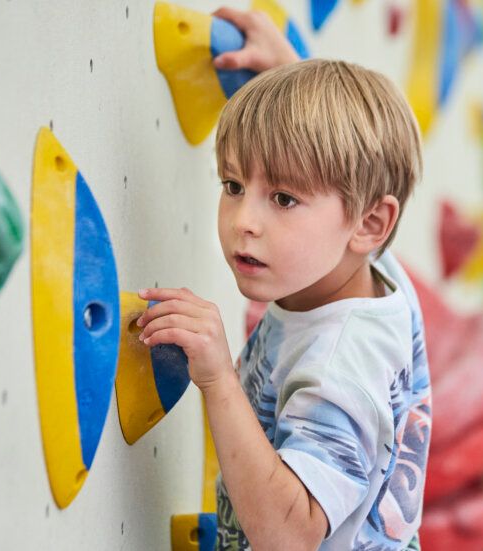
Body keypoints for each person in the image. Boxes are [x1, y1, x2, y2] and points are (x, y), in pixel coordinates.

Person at [135, 44, 431, 550]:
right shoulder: (370, 265)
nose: (243, 222)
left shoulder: (342, 365)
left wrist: (219, 380)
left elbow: (291, 536)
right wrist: (286, 74)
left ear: (370, 224)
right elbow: (350, 172)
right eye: (232, 184)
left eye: (284, 198)